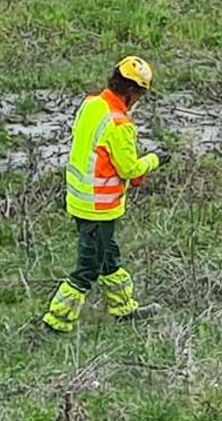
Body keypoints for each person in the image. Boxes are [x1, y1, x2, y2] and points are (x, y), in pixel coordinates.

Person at [43, 56, 165, 334]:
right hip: (99, 207)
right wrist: (155, 159)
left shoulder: (91, 105)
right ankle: (57, 321)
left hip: (80, 200)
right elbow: (129, 169)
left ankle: (124, 309)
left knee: (108, 257)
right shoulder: (119, 124)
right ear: (132, 91)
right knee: (87, 269)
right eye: (140, 94)